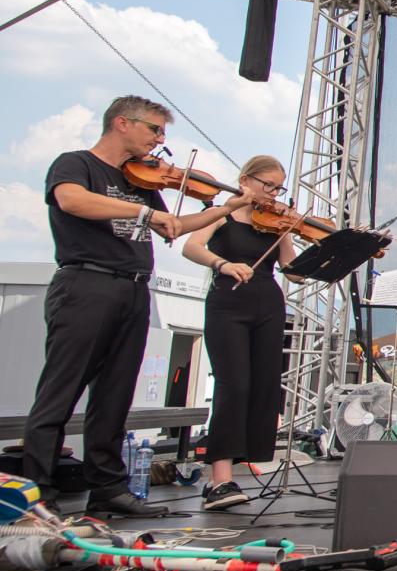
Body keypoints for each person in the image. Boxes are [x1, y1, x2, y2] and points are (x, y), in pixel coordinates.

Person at [20, 98, 252, 518]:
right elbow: (71, 201)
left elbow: (173, 226)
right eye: (154, 130)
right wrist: (143, 212)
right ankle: (38, 492)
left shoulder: (141, 180)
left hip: (134, 287)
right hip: (87, 283)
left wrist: (227, 208)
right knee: (61, 392)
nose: (160, 140)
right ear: (122, 123)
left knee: (115, 394)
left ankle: (107, 487)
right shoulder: (76, 164)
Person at [182, 154, 300, 511]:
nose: (274, 194)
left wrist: (321, 257)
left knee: (263, 385)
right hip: (228, 303)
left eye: (279, 189)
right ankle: (219, 479)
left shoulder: (275, 223)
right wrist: (223, 264)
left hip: (269, 304)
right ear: (245, 181)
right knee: (234, 386)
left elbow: (291, 269)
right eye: (269, 186)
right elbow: (190, 247)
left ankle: (240, 468)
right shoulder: (223, 213)